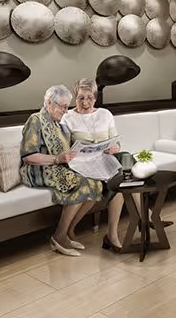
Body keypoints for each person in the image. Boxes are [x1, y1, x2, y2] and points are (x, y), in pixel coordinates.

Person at [20, 85, 102, 256]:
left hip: (61, 166)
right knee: (78, 182)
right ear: (49, 103)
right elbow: (28, 156)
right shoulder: (35, 120)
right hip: (37, 169)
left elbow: (73, 149)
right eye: (62, 106)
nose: (65, 111)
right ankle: (58, 237)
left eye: (67, 107)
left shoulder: (61, 126)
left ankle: (68, 232)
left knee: (96, 184)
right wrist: (57, 159)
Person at [61, 78, 125, 253]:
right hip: (79, 163)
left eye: (89, 98)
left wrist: (114, 148)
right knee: (94, 188)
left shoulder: (105, 114)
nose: (85, 102)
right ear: (75, 98)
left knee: (119, 189)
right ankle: (70, 230)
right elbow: (63, 146)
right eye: (81, 98)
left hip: (103, 159)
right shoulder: (67, 118)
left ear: (95, 98)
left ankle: (112, 236)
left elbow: (116, 141)